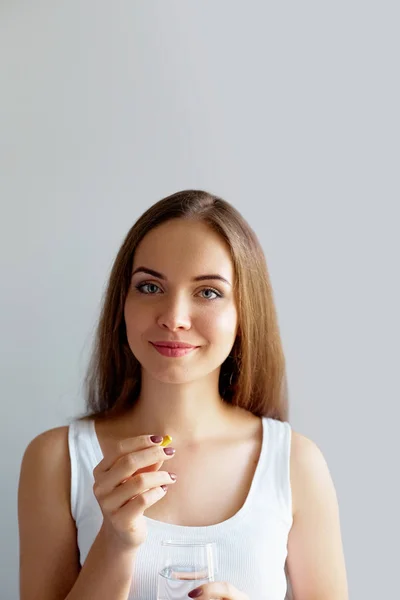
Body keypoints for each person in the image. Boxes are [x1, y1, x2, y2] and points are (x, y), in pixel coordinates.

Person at [18, 190, 349, 600]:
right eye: (150, 287)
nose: (174, 318)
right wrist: (117, 542)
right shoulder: (55, 460)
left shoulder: (295, 463)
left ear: (244, 313)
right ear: (122, 303)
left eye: (208, 292)